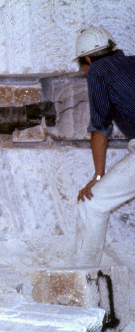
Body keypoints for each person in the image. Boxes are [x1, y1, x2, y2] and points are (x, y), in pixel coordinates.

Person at [73, 27, 135, 266]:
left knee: (92, 203)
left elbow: (100, 128)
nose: (86, 74)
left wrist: (98, 176)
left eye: (83, 69)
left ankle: (79, 284)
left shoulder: (98, 70)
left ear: (87, 59)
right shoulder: (130, 62)